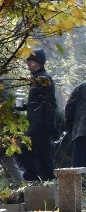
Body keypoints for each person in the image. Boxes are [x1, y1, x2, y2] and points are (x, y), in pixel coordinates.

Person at [16, 48, 57, 181]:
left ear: (39, 62)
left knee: (24, 150)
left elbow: (50, 103)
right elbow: (37, 102)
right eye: (28, 61)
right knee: (43, 156)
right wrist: (24, 107)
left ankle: (34, 177)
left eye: (31, 61)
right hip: (36, 121)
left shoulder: (44, 78)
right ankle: (46, 182)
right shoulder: (36, 78)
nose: (28, 64)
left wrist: (51, 125)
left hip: (41, 123)